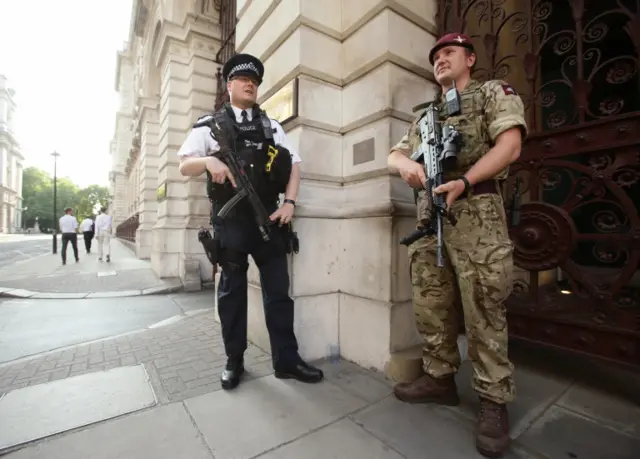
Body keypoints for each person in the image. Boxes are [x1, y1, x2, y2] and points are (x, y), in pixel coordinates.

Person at [387, 33, 527, 458]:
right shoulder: (425, 116)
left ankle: (493, 400)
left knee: (483, 307)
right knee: (432, 302)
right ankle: (440, 378)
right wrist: (407, 165)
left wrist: (465, 180)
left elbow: (511, 144)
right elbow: (393, 156)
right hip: (431, 220)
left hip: (476, 212)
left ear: (469, 58)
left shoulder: (491, 94)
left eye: (448, 53)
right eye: (435, 56)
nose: (440, 60)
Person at [177, 53, 323, 390]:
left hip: (269, 219)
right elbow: (184, 165)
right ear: (229, 85)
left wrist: (289, 203)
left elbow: (294, 164)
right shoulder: (209, 125)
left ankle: (286, 360)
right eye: (243, 80)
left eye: (255, 82)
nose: (250, 85)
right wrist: (208, 162)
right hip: (231, 224)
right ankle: (234, 361)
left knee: (278, 294)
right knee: (232, 294)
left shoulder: (271, 126)